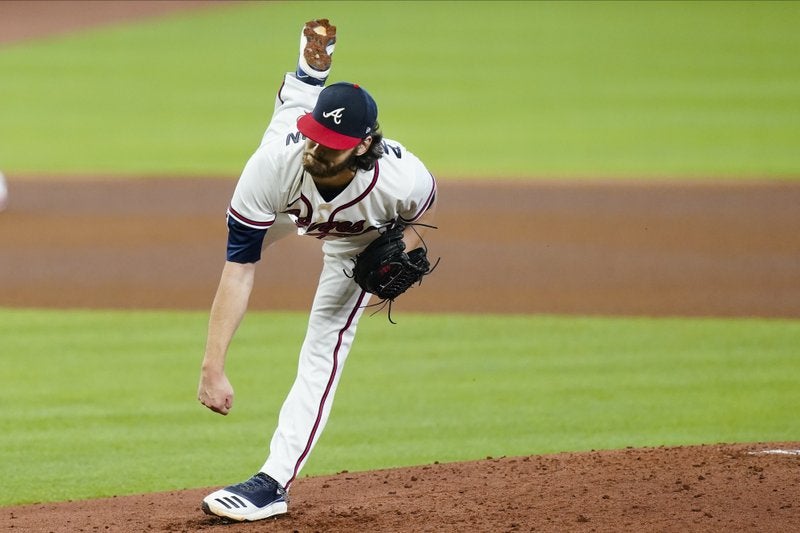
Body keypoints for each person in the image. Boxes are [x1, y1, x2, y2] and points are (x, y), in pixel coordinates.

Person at [197, 19, 438, 522]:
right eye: (318, 135)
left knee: (324, 342)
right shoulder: (279, 161)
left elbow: (421, 218)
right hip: (287, 204)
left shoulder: (402, 177)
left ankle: (273, 481)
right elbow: (239, 268)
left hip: (356, 243)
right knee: (278, 144)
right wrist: (211, 367)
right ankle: (309, 75)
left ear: (366, 145)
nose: (319, 148)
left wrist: (401, 253)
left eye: (333, 141)